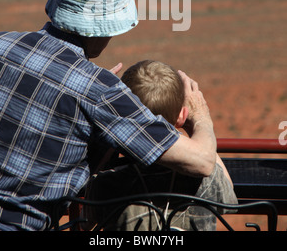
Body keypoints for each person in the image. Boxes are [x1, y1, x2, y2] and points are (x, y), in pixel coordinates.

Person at [0, 0, 216, 231]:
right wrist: (199, 111)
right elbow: (202, 162)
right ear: (103, 27)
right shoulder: (101, 90)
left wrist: (83, 89)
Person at [84, 60, 238, 231]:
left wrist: (113, 125)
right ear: (182, 115)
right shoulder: (206, 179)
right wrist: (199, 121)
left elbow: (86, 223)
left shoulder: (109, 181)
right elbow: (229, 198)